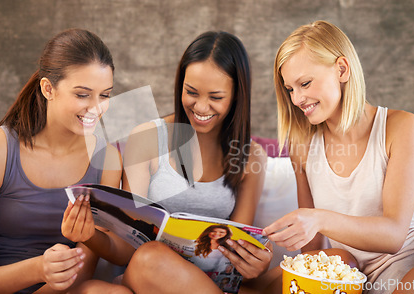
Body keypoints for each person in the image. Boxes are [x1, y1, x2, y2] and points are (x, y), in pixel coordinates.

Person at [62, 31, 271, 294]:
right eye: (191, 92)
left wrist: (255, 264)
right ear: (180, 85)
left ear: (237, 96)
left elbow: (240, 253)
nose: (201, 107)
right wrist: (89, 235)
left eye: (216, 97)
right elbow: (126, 249)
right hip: (149, 275)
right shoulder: (148, 139)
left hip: (211, 285)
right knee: (146, 259)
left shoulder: (252, 156)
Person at [263, 20, 414, 294]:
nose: (297, 99)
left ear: (342, 69)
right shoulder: (303, 146)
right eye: (290, 89)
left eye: (305, 83)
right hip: (358, 279)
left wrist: (318, 218)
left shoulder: (400, 126)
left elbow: (394, 236)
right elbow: (315, 253)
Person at [0, 28, 122, 293]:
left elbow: (85, 265)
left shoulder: (108, 160)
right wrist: (37, 269)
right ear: (48, 88)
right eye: (82, 94)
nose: (96, 108)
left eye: (104, 95)